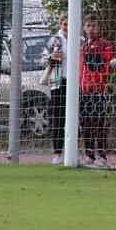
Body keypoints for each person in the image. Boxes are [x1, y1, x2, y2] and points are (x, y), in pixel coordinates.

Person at [80, 14, 114, 166]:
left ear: (99, 27)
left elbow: (104, 65)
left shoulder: (104, 44)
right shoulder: (82, 45)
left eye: (94, 26)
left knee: (99, 123)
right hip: (84, 89)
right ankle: (89, 154)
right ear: (84, 28)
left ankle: (101, 155)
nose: (91, 29)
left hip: (99, 89)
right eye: (88, 26)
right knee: (85, 123)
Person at [43, 13, 68, 165]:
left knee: (73, 118)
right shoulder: (55, 40)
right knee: (58, 117)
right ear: (61, 24)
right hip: (58, 82)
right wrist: (52, 57)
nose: (67, 27)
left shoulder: (80, 40)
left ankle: (73, 150)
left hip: (75, 82)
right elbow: (44, 59)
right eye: (65, 24)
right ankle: (57, 152)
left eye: (69, 24)